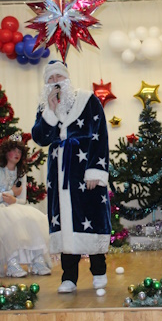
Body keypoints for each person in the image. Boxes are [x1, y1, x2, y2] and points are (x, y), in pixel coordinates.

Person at [32, 60, 111, 294]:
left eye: (59, 77)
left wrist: (95, 170)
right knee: (64, 223)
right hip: (59, 173)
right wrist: (50, 111)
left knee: (91, 218)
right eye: (50, 79)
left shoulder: (88, 100)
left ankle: (99, 271)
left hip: (84, 168)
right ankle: (69, 277)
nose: (55, 83)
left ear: (67, 79)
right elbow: (40, 138)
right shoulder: (44, 107)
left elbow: (101, 135)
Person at [0, 134, 52, 278]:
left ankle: (37, 260)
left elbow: (22, 200)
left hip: (12, 207)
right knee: (11, 220)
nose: (17, 154)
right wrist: (10, 193)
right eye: (13, 150)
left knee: (33, 218)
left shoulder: (20, 173)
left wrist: (13, 199)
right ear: (6, 152)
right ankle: (12, 262)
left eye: (19, 151)